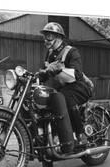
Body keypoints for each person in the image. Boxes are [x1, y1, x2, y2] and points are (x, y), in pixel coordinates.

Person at [39, 22, 93, 154]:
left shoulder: (71, 52)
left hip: (80, 86)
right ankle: (52, 139)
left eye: (49, 36)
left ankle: (81, 135)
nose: (46, 39)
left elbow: (77, 74)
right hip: (64, 88)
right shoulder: (49, 54)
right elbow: (46, 74)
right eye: (45, 36)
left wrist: (59, 68)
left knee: (65, 97)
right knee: (49, 100)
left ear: (59, 38)